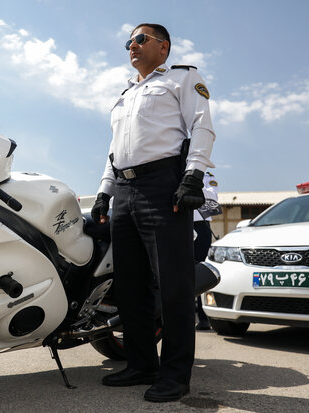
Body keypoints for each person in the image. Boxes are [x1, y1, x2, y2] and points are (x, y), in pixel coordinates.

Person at [92, 23, 215, 402]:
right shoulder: (126, 93)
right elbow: (115, 151)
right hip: (125, 191)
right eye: (128, 41)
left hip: (164, 186)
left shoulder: (182, 79)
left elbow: (202, 127)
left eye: (140, 39)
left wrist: (192, 176)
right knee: (130, 287)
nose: (132, 45)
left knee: (174, 287)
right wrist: (103, 193)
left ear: (163, 47)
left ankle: (175, 375)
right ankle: (141, 364)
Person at [194, 171, 219, 330]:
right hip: (180, 224)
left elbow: (213, 198)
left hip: (201, 225)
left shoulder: (207, 176)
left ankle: (203, 318)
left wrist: (191, 184)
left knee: (200, 271)